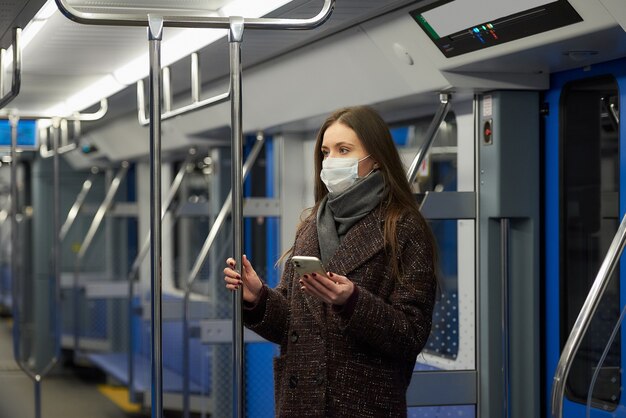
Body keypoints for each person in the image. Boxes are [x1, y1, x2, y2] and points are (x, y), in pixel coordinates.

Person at [224, 106, 437, 417]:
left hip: (363, 404)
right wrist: (259, 299)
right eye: (325, 152)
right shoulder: (311, 226)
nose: (331, 161)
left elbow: (411, 334)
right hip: (300, 403)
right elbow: (291, 324)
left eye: (344, 150)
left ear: (376, 158)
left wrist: (352, 301)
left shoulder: (402, 228)